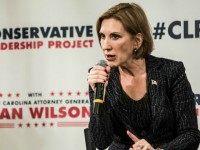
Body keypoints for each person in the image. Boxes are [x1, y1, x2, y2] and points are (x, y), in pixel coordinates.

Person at [87, 2, 200, 150]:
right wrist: (99, 99)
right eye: (102, 36)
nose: (105, 45)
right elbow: (101, 142)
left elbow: (190, 135)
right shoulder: (101, 76)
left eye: (115, 36)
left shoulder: (170, 71)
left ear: (137, 41)